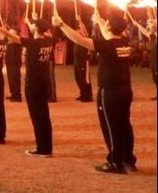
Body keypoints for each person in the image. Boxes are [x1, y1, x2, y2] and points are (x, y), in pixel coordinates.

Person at [54, 12, 137, 173]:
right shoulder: (124, 42)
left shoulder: (107, 45)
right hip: (125, 91)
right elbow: (110, 35)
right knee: (125, 125)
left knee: (111, 127)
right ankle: (128, 159)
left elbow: (80, 40)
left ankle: (115, 162)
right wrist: (99, 20)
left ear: (110, 26)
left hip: (110, 92)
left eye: (107, 23)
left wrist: (61, 24)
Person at [0, 16, 53, 157]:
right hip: (44, 83)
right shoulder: (48, 42)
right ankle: (47, 147)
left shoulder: (33, 43)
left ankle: (42, 149)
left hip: (33, 84)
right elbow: (40, 31)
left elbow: (11, 36)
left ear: (36, 29)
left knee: (37, 117)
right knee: (44, 116)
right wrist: (32, 22)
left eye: (34, 26)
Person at [129, 16, 156, 100]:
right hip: (153, 58)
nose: (150, 28)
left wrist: (154, 22)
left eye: (152, 27)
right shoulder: (151, 35)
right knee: (154, 76)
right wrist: (137, 24)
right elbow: (144, 31)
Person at [73, 15, 93, 102]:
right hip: (77, 61)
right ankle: (83, 93)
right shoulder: (77, 38)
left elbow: (85, 32)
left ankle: (88, 95)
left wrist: (80, 21)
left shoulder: (84, 38)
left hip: (83, 61)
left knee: (85, 78)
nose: (77, 31)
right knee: (78, 77)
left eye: (79, 29)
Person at [5, 26, 23, 102]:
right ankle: (13, 93)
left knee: (15, 78)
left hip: (15, 63)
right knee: (10, 78)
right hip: (9, 63)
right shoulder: (9, 42)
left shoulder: (17, 43)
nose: (9, 35)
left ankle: (17, 95)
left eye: (11, 33)